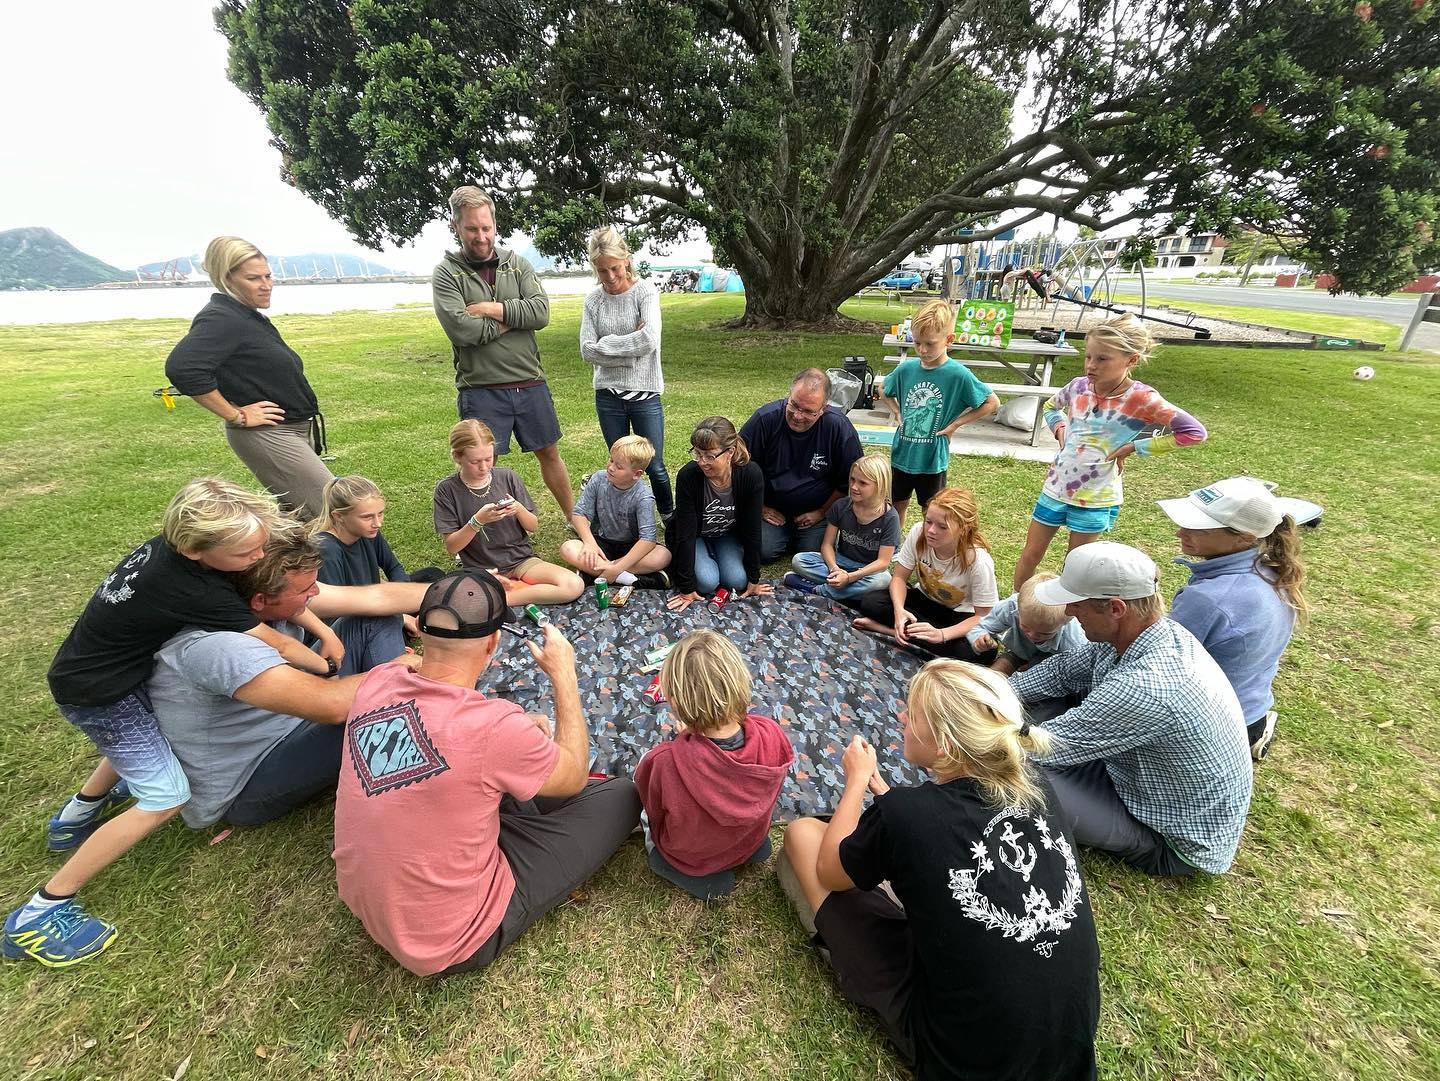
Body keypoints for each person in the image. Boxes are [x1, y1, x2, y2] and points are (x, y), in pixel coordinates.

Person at [4, 479, 341, 968]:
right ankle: (40, 912)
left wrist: (321, 626)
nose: (258, 556)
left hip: (108, 670)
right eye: (249, 552)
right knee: (165, 795)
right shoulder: (194, 589)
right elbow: (281, 645)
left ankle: (74, 818)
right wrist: (326, 667)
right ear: (195, 549)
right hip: (101, 694)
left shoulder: (169, 551)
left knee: (142, 738)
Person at [777, 660, 1100, 1080]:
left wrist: (856, 780)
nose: (902, 719)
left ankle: (840, 951)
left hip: (965, 1059)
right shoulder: (1039, 790)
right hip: (1065, 1049)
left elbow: (830, 870)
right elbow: (946, 837)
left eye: (912, 715)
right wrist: (889, 801)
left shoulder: (908, 815)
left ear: (945, 745)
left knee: (803, 836)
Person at [332, 571, 642, 976]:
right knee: (623, 796)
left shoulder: (378, 681)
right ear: (493, 643)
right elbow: (572, 777)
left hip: (372, 904)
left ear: (421, 633)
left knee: (503, 785)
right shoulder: (493, 727)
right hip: (453, 937)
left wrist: (513, 738)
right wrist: (564, 677)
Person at [149, 525, 429, 832]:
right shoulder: (219, 647)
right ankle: (410, 733)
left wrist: (460, 588)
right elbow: (332, 705)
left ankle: (406, 714)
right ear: (259, 601)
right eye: (305, 589)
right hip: (250, 780)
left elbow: (375, 599)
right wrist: (398, 669)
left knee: (374, 621)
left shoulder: (258, 603)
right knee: (366, 716)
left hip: (292, 717)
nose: (316, 593)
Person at [1011, 542, 1252, 876]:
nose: (1068, 614)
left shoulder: (1146, 687)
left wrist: (962, 719)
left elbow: (1040, 747)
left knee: (1009, 775)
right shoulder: (1148, 634)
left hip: (1169, 838)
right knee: (1029, 706)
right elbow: (1062, 672)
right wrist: (993, 694)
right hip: (1133, 776)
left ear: (1115, 609)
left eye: (1077, 605)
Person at [1012, 314, 1207, 592]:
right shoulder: (1078, 386)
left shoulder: (1141, 399)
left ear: (1131, 360)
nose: (1091, 365)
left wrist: (1134, 447)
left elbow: (1193, 432)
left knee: (1076, 567)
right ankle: (1015, 608)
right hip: (1055, 489)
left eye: (1103, 359)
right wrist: (1060, 430)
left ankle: (1066, 622)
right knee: (1030, 555)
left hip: (1096, 497)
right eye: (1089, 356)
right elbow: (1051, 407)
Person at [431, 185, 575, 517]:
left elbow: (540, 313)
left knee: (549, 453)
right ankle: (479, 532)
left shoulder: (518, 264)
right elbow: (462, 330)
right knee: (480, 464)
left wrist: (491, 309)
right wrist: (515, 318)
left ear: (495, 225)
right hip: (481, 387)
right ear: (455, 226)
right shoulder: (447, 273)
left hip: (529, 381)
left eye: (486, 228)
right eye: (471, 229)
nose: (480, 236)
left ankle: (572, 517)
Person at [165, 236, 333, 519]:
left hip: (291, 429)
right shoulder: (223, 317)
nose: (266, 284)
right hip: (269, 435)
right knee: (334, 512)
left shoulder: (246, 316)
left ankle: (280, 563)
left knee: (298, 520)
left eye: (268, 275)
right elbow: (183, 368)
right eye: (253, 278)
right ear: (226, 279)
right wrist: (237, 415)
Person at [1157, 477, 1310, 761]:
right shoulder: (1272, 572)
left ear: (1245, 538)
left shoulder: (1209, 598)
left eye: (1197, 528)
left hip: (1214, 726)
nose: (1180, 532)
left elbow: (1156, 664)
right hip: (1251, 709)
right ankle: (1254, 731)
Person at [634, 631, 794, 900]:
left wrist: (686, 738)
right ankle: (746, 851)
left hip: (691, 854)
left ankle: (679, 867)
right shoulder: (772, 733)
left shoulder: (663, 761)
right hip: (749, 839)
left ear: (675, 701)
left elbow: (654, 808)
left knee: (642, 780)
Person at [434, 419, 584, 607]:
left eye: (488, 459)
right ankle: (501, 597)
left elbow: (533, 526)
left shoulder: (507, 477)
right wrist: (477, 522)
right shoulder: (447, 490)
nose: (483, 467)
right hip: (482, 570)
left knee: (574, 584)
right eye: (475, 462)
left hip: (521, 561)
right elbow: (452, 547)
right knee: (457, 602)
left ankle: (504, 600)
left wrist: (518, 509)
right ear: (457, 456)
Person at [877, 298, 999, 524]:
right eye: (917, 343)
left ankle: (926, 552)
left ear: (948, 340)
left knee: (931, 512)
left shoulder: (957, 374)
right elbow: (883, 388)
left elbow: (991, 402)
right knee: (896, 506)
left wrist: (955, 425)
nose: (922, 350)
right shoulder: (906, 369)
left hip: (932, 459)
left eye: (930, 344)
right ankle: (895, 548)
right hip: (903, 452)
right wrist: (897, 411)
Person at [580, 226, 673, 519]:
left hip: (644, 394)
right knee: (618, 464)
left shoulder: (644, 291)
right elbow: (587, 351)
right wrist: (626, 350)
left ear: (627, 261)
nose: (610, 277)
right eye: (602, 270)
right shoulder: (593, 300)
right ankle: (619, 517)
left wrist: (605, 345)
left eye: (615, 268)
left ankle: (669, 517)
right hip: (608, 395)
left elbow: (649, 340)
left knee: (654, 465)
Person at [854, 487, 999, 663]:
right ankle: (912, 632)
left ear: (963, 529)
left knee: (981, 653)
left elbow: (983, 616)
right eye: (928, 521)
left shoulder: (978, 560)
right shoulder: (918, 533)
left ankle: (890, 631)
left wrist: (942, 634)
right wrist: (899, 611)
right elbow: (899, 577)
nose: (931, 530)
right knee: (871, 602)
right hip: (924, 601)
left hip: (958, 615)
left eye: (942, 527)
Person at [740, 369, 863, 560]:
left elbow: (848, 482)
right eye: (794, 405)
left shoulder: (839, 428)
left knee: (811, 554)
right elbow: (738, 466)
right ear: (789, 394)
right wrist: (760, 507)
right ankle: (781, 536)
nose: (797, 416)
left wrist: (822, 512)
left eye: (808, 411)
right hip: (771, 509)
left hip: (817, 512)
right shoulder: (765, 419)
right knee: (763, 551)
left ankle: (799, 538)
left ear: (824, 408)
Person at [665, 417, 774, 613]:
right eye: (697, 454)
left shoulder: (751, 475)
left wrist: (753, 579)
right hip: (696, 535)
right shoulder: (688, 477)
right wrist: (687, 588)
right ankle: (706, 556)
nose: (702, 462)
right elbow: (685, 534)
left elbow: (752, 529)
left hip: (726, 535)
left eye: (709, 456)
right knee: (707, 583)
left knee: (738, 581)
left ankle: (716, 555)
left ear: (730, 452)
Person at [313, 475, 419, 674]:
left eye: (381, 514)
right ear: (338, 517)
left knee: (431, 575)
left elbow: (394, 568)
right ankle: (391, 673)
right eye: (368, 517)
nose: (377, 523)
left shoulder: (369, 533)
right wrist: (401, 613)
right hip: (340, 634)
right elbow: (339, 613)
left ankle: (392, 636)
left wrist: (402, 603)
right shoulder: (326, 548)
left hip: (373, 607)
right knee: (383, 617)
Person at [784, 454, 899, 604]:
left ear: (880, 485)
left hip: (867, 570)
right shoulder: (841, 505)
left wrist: (851, 577)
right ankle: (850, 593)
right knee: (799, 560)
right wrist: (834, 569)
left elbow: (883, 562)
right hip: (840, 561)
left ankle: (817, 590)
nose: (853, 487)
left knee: (883, 580)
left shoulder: (890, 518)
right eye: (852, 479)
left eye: (862, 483)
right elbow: (827, 545)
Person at [559, 435, 671, 589]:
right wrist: (589, 543)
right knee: (568, 548)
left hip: (631, 547)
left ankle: (596, 574)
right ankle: (630, 579)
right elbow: (579, 514)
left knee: (663, 556)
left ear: (636, 474)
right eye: (611, 460)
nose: (611, 467)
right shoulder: (598, 479)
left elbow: (648, 540)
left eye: (619, 466)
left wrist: (616, 567)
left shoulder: (643, 496)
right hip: (601, 543)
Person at [967, 572, 1088, 675]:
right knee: (992, 677)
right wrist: (979, 638)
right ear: (1017, 610)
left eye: (1044, 633)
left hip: (1056, 663)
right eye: (1025, 627)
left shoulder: (1074, 643)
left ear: (1064, 625)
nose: (1033, 635)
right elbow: (981, 627)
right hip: (1019, 653)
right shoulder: (1011, 607)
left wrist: (1036, 669)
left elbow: (1079, 672)